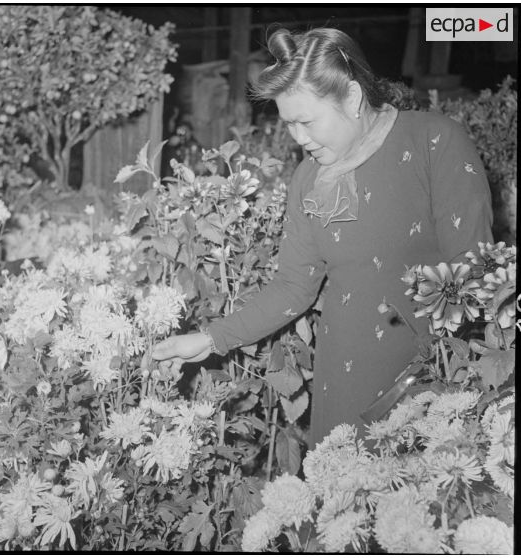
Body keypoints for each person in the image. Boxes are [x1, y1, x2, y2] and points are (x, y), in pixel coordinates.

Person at [151, 27, 493, 449]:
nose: (297, 138)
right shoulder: (308, 179)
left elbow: (476, 270)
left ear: (351, 98)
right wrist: (209, 339)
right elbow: (294, 286)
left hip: (431, 384)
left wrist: (446, 374)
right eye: (287, 123)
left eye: (306, 121)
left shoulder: (434, 142)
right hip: (343, 381)